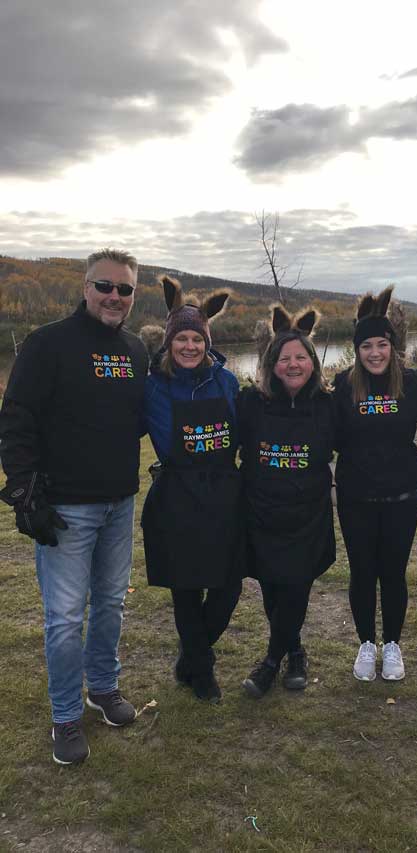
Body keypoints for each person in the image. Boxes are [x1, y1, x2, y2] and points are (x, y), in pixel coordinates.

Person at [0, 248, 148, 765]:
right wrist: (23, 493)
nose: (113, 296)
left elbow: (144, 417)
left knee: (111, 603)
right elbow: (15, 419)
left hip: (119, 502)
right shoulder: (47, 344)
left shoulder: (135, 350)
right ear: (85, 287)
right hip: (65, 509)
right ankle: (65, 716)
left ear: (133, 296)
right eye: (104, 286)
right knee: (64, 617)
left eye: (124, 289)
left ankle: (102, 689)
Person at [142, 276, 242, 704]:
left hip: (223, 491)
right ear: (169, 343)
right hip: (178, 494)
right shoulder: (152, 386)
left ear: (207, 341)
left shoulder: (227, 382)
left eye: (195, 339)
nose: (188, 346)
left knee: (229, 584)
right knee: (187, 587)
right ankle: (201, 671)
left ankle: (190, 657)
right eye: (181, 338)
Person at [238, 305, 335, 698]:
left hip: (308, 515)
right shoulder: (250, 403)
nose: (293, 364)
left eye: (300, 357)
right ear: (271, 364)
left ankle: (271, 661)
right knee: (273, 587)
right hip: (261, 512)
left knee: (296, 586)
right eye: (284, 358)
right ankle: (294, 649)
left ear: (311, 362)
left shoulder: (330, 405)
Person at [334, 286, 417, 681]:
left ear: (392, 345)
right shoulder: (341, 385)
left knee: (393, 572)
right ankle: (366, 643)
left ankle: (392, 645)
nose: (375, 352)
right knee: (362, 572)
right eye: (367, 345)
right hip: (355, 496)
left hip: (402, 495)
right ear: (357, 349)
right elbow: (327, 436)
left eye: (382, 344)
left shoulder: (411, 382)